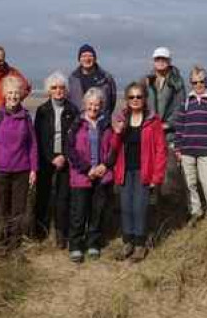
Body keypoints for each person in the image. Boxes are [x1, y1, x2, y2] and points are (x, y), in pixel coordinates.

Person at [0, 75, 38, 254]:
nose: (14, 96)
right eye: (10, 92)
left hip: (21, 171)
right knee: (0, 210)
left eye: (17, 93)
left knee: (18, 211)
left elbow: (32, 145)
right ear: (5, 94)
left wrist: (34, 169)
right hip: (0, 171)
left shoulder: (26, 117)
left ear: (21, 95)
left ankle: (15, 246)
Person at [112, 82, 167, 262]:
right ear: (127, 99)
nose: (135, 100)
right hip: (125, 170)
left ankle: (140, 245)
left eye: (138, 97)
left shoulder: (153, 120)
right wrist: (117, 132)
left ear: (144, 99)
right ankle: (127, 242)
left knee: (140, 207)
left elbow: (161, 149)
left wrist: (156, 176)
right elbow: (112, 148)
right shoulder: (121, 118)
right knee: (126, 207)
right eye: (131, 97)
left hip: (145, 171)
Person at [65, 87, 119, 263]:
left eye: (97, 105)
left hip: (102, 175)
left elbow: (113, 148)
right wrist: (87, 168)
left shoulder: (106, 124)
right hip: (82, 175)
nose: (93, 108)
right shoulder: (76, 124)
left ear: (102, 106)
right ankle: (75, 246)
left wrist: (105, 165)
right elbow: (70, 150)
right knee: (78, 213)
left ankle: (93, 244)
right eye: (90, 104)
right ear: (84, 104)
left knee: (97, 213)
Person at [175, 66, 207, 226]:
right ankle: (195, 212)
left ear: (206, 81)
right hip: (186, 150)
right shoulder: (186, 103)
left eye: (202, 81)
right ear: (190, 83)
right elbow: (179, 127)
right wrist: (177, 149)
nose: (198, 85)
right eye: (195, 82)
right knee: (189, 184)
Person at [32, 71, 78, 247]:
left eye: (61, 87)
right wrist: (51, 158)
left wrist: (64, 157)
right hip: (46, 159)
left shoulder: (72, 110)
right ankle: (40, 231)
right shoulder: (42, 110)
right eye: (54, 88)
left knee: (63, 197)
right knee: (43, 195)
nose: (58, 91)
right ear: (48, 91)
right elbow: (39, 137)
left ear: (66, 90)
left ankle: (61, 233)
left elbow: (74, 138)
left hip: (66, 159)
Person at [145, 47, 188, 229]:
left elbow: (180, 108)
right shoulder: (148, 81)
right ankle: (154, 218)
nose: (160, 62)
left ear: (169, 61)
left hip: (169, 134)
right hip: (150, 134)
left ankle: (175, 219)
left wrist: (167, 124)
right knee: (151, 177)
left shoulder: (176, 82)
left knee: (170, 177)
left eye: (164, 59)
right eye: (157, 59)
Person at [66, 44, 117, 116]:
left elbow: (112, 101)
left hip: (102, 122)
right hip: (78, 123)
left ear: (95, 58)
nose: (87, 59)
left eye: (90, 56)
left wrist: (105, 116)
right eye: (83, 56)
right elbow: (68, 101)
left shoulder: (106, 78)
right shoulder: (72, 79)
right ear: (79, 59)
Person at [0, 44, 32, 109]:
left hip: (8, 112)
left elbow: (27, 87)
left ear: (4, 59)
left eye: (0, 61)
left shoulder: (13, 73)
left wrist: (16, 101)